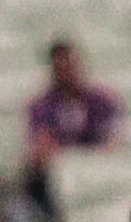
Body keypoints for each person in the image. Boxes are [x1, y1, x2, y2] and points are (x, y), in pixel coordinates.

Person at [27, 40, 121, 208]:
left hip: (100, 173)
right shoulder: (41, 106)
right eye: (60, 67)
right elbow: (42, 150)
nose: (66, 72)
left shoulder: (102, 100)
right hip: (57, 184)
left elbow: (113, 141)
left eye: (69, 65)